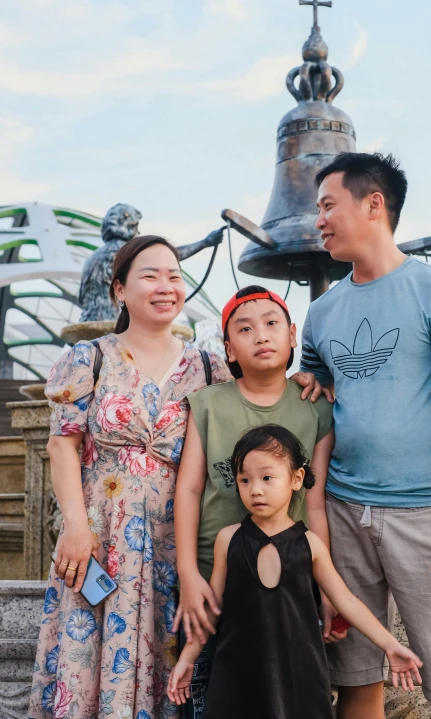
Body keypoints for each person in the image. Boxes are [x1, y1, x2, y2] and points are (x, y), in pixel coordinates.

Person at [293, 153, 431, 719]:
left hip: (425, 516)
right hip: (341, 513)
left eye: (328, 205)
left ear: (373, 204)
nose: (319, 219)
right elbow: (317, 395)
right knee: (358, 681)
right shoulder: (321, 313)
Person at [29, 235, 229, 719]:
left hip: (176, 543)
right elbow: (62, 443)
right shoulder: (89, 358)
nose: (166, 286)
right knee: (89, 665)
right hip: (100, 539)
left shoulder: (208, 367)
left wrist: (311, 380)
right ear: (119, 289)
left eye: (174, 276)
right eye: (150, 275)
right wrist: (75, 525)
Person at [167, 425, 423, 719]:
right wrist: (188, 659)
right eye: (244, 480)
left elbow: (346, 601)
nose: (256, 489)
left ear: (296, 478)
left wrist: (391, 645)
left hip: (299, 675)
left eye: (267, 477)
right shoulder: (228, 540)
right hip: (237, 675)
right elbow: (211, 609)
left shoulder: (310, 545)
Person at [172, 285, 335, 716]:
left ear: (293, 334)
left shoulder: (314, 409)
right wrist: (188, 573)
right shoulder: (208, 405)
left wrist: (327, 587)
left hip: (289, 591)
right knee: (211, 694)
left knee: (287, 697)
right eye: (245, 329)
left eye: (271, 324)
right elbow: (188, 490)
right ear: (229, 348)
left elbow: (314, 503)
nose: (261, 336)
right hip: (213, 583)